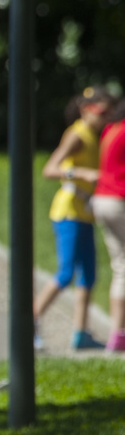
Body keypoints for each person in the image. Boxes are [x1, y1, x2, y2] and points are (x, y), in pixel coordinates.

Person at [33, 86, 112, 350]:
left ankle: (80, 333)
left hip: (85, 213)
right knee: (66, 272)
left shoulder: (94, 136)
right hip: (68, 212)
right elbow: (50, 169)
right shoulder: (77, 135)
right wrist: (80, 174)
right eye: (101, 111)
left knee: (88, 275)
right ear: (85, 110)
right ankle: (31, 321)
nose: (105, 117)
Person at [92, 98, 125, 352]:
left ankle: (117, 334)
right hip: (117, 200)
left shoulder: (111, 128)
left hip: (102, 198)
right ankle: (119, 333)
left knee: (120, 265)